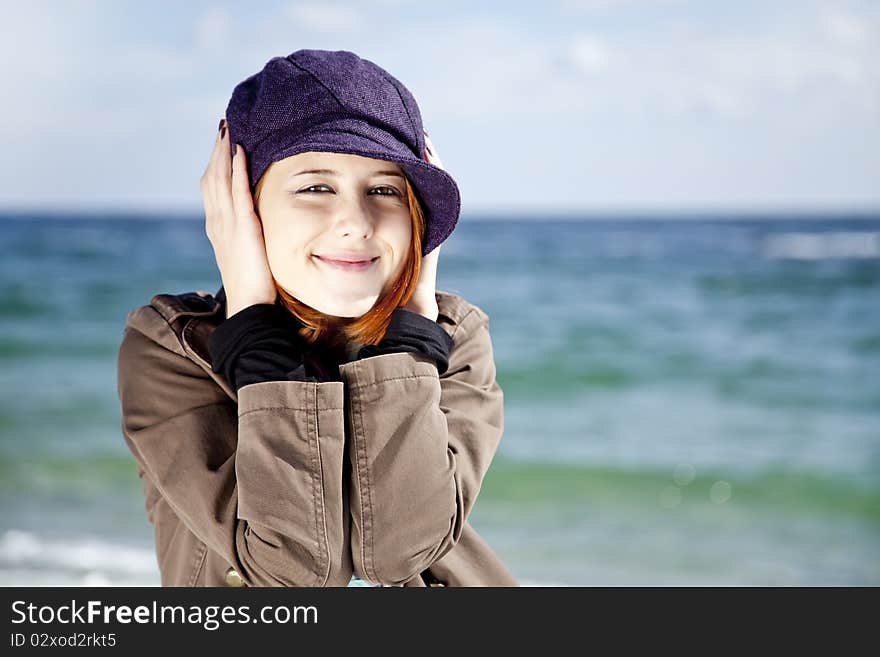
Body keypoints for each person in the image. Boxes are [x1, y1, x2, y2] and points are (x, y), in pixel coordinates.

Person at [116, 49, 517, 587]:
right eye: (315, 187)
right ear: (243, 205)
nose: (356, 222)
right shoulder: (172, 348)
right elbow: (296, 568)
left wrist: (412, 335)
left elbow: (402, 551)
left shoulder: (453, 338)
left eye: (385, 190)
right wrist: (254, 329)